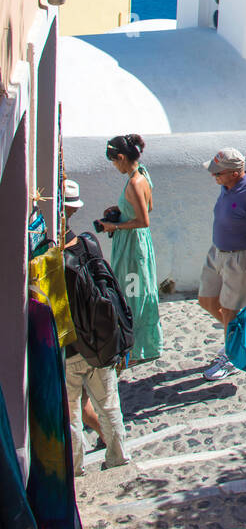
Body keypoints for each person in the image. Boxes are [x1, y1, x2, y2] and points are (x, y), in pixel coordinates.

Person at [62, 179, 131, 476]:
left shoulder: (50, 256)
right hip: (99, 341)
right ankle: (118, 458)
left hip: (68, 348)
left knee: (70, 414)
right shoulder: (87, 244)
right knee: (109, 406)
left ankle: (75, 468)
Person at [199, 148, 246, 380]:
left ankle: (233, 356)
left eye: (218, 173)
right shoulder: (226, 186)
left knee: (230, 310)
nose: (214, 176)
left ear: (235, 172)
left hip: (240, 258)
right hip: (217, 253)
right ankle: (238, 339)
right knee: (207, 300)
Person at [98, 133, 163, 364]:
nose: (115, 165)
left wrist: (113, 225)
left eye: (115, 161)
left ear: (122, 157)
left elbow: (144, 220)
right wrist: (121, 209)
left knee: (132, 293)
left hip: (132, 247)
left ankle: (135, 348)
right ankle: (144, 343)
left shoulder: (134, 182)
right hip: (139, 243)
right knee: (139, 290)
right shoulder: (142, 175)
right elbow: (149, 206)